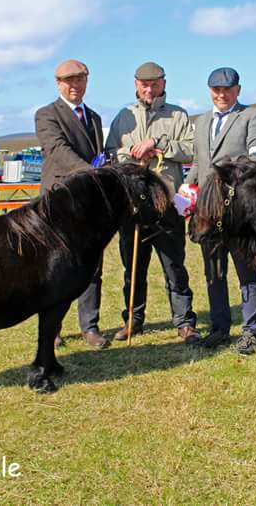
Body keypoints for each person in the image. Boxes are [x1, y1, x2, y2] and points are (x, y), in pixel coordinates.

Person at [105, 61, 200, 344]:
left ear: (164, 84)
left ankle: (184, 322)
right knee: (133, 268)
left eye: (155, 84)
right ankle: (133, 320)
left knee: (175, 267)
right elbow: (110, 152)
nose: (149, 89)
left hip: (166, 204)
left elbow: (192, 149)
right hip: (133, 205)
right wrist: (132, 154)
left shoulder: (178, 115)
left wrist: (159, 145)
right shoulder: (123, 116)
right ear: (136, 85)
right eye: (144, 84)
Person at [184, 67, 256, 355]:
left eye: (227, 89)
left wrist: (230, 184)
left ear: (238, 90)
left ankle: (251, 331)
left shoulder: (251, 116)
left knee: (246, 272)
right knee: (214, 273)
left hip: (238, 213)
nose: (221, 94)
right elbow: (199, 162)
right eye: (216, 89)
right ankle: (220, 328)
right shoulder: (201, 120)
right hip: (207, 214)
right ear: (209, 90)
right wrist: (186, 189)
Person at [34, 58, 109, 350]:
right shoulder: (46, 115)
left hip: (89, 205)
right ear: (58, 84)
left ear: (87, 81)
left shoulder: (95, 118)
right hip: (60, 202)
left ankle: (89, 326)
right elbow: (58, 150)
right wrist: (92, 173)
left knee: (92, 267)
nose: (74, 85)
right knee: (56, 269)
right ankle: (52, 329)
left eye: (79, 79)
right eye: (68, 80)